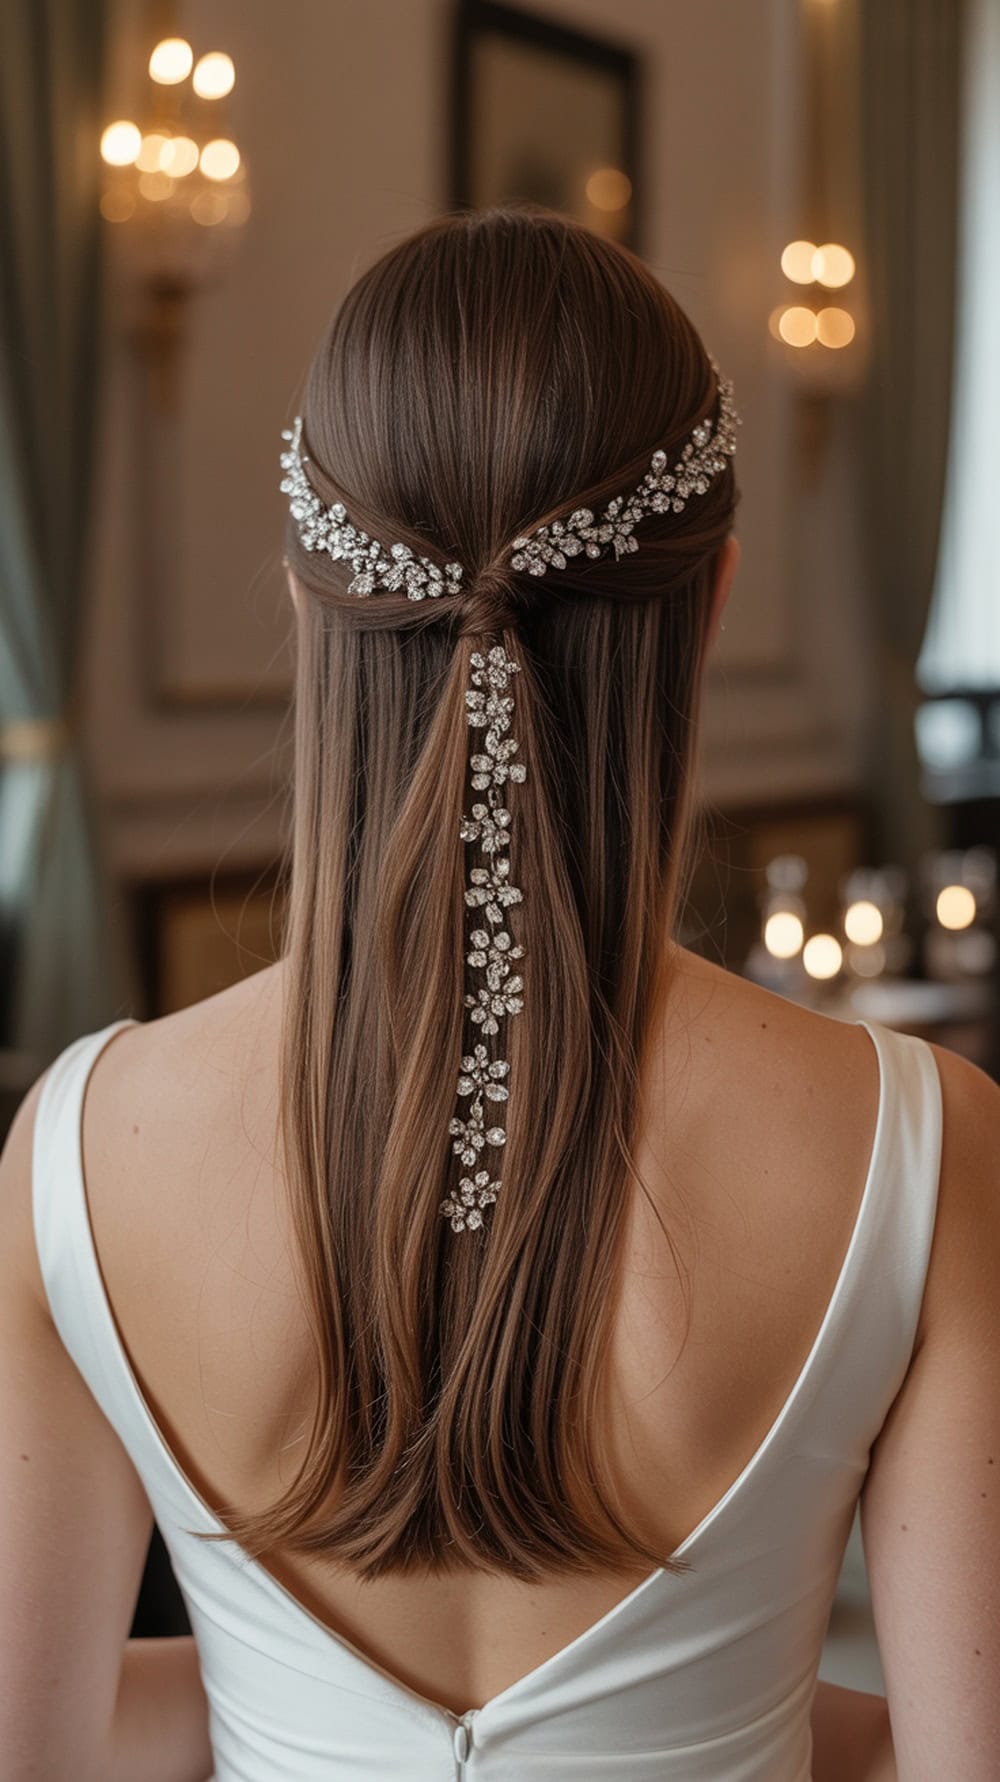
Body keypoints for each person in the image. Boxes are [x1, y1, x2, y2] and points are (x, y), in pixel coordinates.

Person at [1, 205, 997, 1782]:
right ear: (711, 602)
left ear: (310, 597)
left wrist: (274, 1706)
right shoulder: (926, 1140)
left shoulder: (75, 1149)